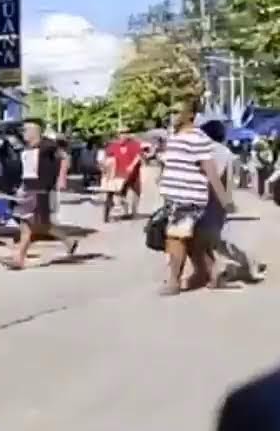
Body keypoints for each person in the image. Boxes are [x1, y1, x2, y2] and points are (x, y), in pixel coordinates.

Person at [157, 99, 232, 296]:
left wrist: (225, 200)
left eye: (176, 112)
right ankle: (214, 273)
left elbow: (210, 170)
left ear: (190, 115)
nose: (172, 116)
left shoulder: (198, 138)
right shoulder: (175, 137)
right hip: (176, 196)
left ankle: (173, 282)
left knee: (176, 238)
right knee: (191, 241)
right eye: (170, 112)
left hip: (188, 197)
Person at [7, 119, 78, 270]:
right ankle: (67, 241)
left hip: (41, 189)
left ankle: (19, 259)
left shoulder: (48, 145)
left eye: (26, 130)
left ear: (34, 132)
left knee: (35, 225)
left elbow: (65, 157)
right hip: (28, 189)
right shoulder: (27, 148)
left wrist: (61, 178)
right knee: (32, 225)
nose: (23, 133)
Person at [199, 120, 262, 285]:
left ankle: (248, 266)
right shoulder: (219, 150)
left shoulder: (216, 151)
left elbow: (215, 178)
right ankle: (238, 268)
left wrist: (226, 201)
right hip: (214, 200)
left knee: (220, 239)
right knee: (215, 239)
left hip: (212, 200)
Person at [102, 130, 144, 223]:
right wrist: (105, 167)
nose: (122, 135)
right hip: (118, 174)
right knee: (113, 193)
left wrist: (132, 165)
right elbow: (108, 158)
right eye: (121, 133)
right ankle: (109, 213)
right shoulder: (113, 146)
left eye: (124, 133)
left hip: (133, 174)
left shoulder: (134, 144)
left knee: (136, 192)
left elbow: (139, 155)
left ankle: (133, 212)